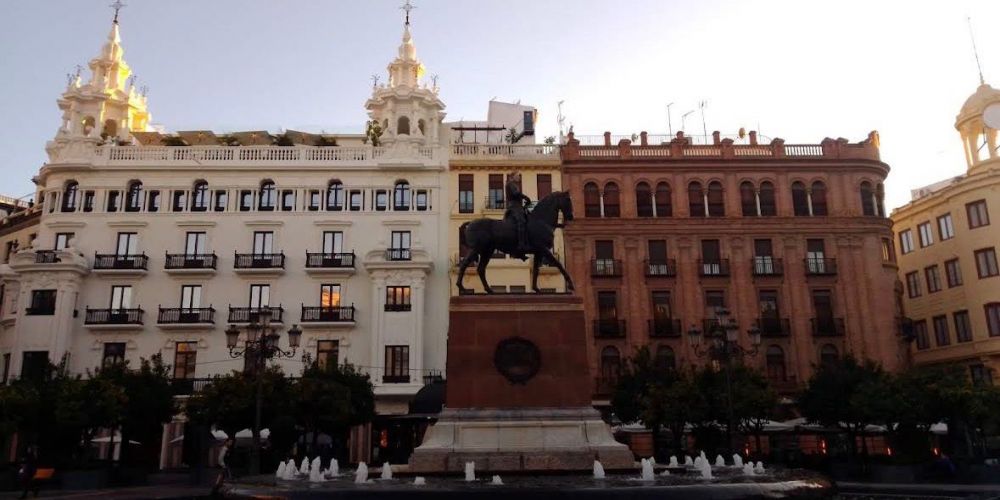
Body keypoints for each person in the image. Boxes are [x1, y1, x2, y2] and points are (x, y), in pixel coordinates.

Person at [504, 172, 532, 259]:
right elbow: (516, 194)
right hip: (514, 206)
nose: (519, 177)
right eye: (517, 176)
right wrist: (526, 197)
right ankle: (521, 246)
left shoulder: (514, 184)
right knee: (521, 222)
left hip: (517, 206)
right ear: (512, 177)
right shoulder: (511, 184)